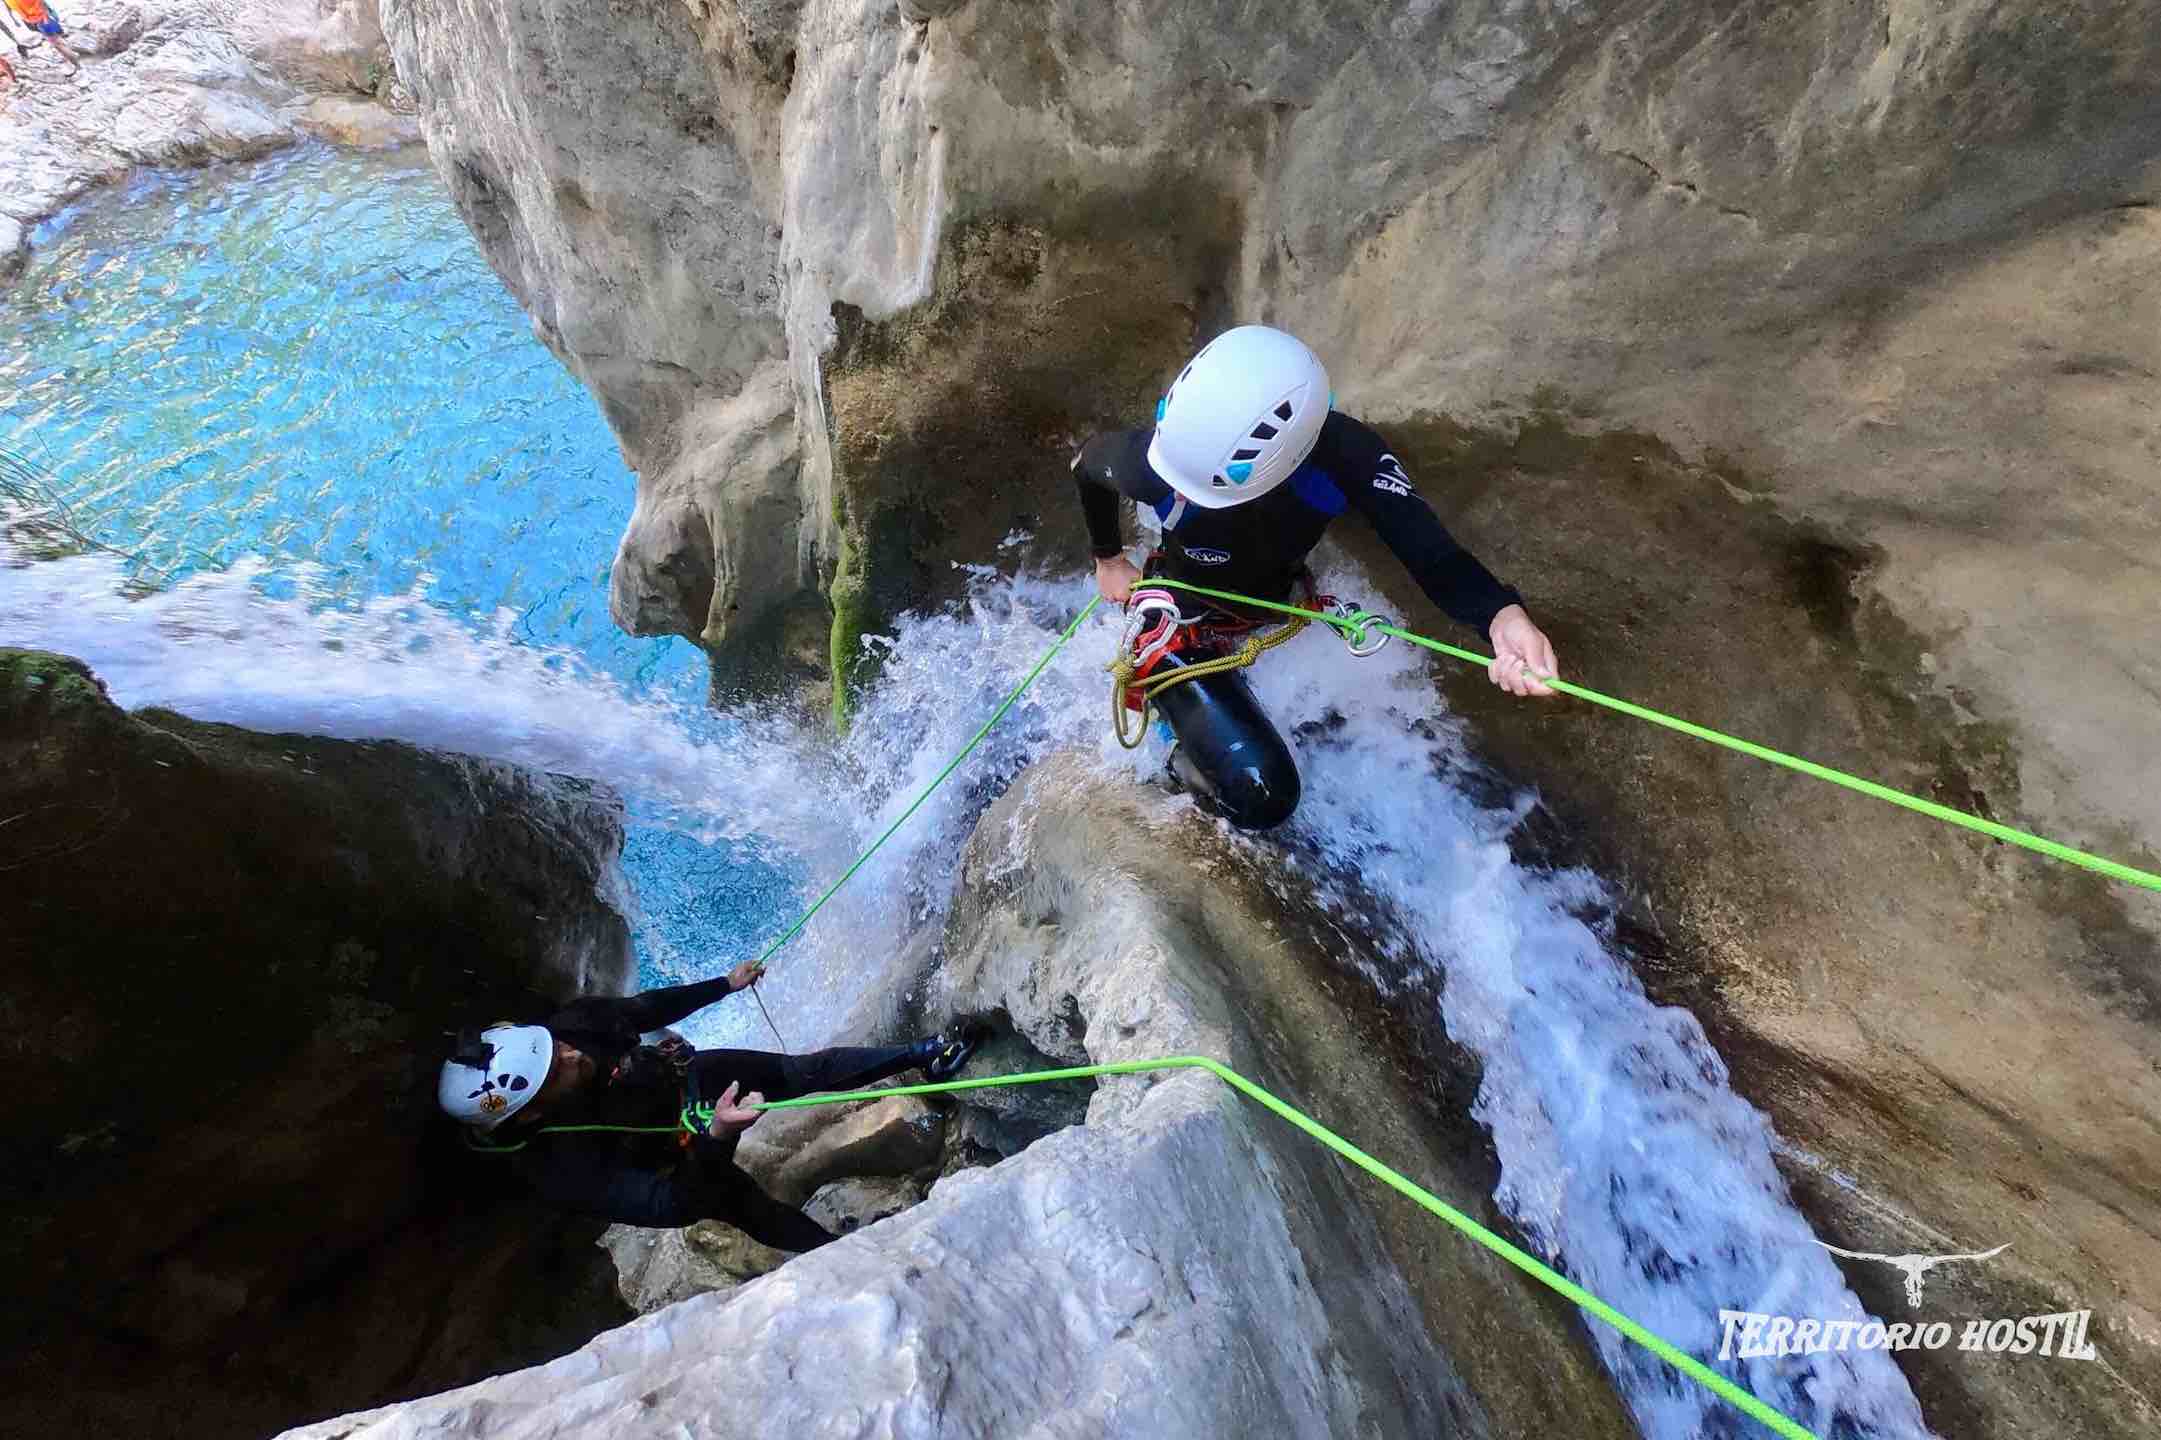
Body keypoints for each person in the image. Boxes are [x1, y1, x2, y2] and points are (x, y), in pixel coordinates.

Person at [1073, 324, 1560, 829]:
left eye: (1199, 491)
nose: (1181, 497)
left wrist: (1501, 618)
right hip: (1181, 625)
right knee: (1263, 795)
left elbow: (1432, 555)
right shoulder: (1165, 460)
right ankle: (1177, 763)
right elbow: (1086, 464)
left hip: (1269, 604)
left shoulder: (1346, 457)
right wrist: (1107, 559)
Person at [438, 957, 982, 1252]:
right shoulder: (559, 1168)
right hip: (671, 1161)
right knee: (754, 1210)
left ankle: (923, 1054)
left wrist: (724, 985)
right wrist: (718, 1136)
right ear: (528, 1112)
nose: (571, 1054)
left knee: (799, 1071)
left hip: (677, 1083)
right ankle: (856, 1263)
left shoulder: (570, 1030)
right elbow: (674, 1204)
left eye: (550, 1046)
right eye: (553, 1068)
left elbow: (643, 1009)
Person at [3, 0, 78, 75]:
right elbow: (10, 7)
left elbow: (39, 2)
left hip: (41, 18)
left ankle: (74, 63)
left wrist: (45, 15)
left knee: (56, 42)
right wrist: (13, 18)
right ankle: (71, 58)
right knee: (54, 40)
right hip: (32, 20)